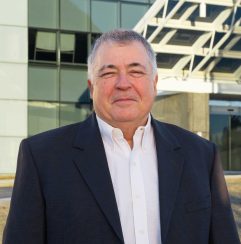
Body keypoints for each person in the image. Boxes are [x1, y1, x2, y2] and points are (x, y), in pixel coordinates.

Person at [3, 29, 240, 244]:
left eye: (136, 71)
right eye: (108, 73)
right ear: (92, 86)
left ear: (154, 83)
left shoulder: (201, 155)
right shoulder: (42, 157)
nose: (123, 84)